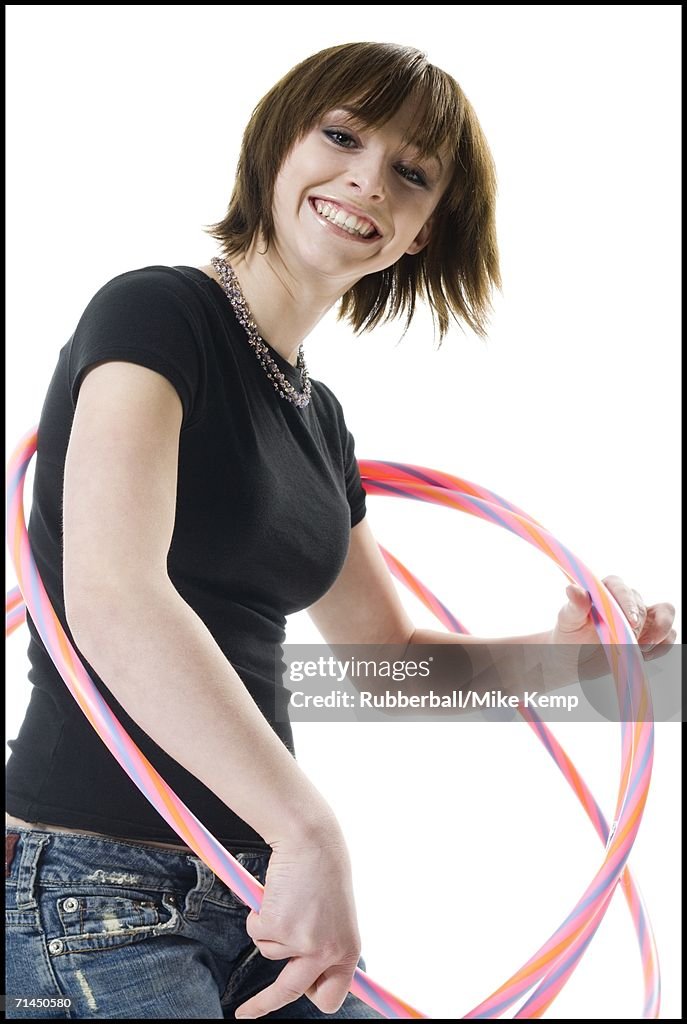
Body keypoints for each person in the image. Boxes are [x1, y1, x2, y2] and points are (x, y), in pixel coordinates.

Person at [5, 40, 675, 1021]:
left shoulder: (320, 422)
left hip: (257, 900)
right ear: (279, 146)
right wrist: (311, 828)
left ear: (421, 235)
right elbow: (112, 597)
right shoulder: (154, 313)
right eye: (342, 134)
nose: (367, 177)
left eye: (411, 173)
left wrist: (578, 659)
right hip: (97, 890)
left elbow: (387, 657)